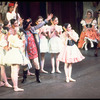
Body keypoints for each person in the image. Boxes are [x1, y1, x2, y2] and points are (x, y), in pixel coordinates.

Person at [21, 13, 53, 83]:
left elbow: (39, 25)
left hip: (34, 49)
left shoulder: (32, 29)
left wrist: (47, 20)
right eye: (29, 24)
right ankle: (24, 77)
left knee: (36, 64)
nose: (30, 25)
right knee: (26, 65)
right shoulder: (23, 32)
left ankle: (37, 77)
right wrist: (20, 22)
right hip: (26, 51)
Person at [3, 19, 30, 92]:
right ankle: (15, 87)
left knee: (15, 70)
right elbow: (16, 43)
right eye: (15, 23)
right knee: (15, 70)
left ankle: (15, 86)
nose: (17, 25)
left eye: (17, 23)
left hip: (14, 51)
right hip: (14, 51)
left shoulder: (11, 33)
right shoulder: (12, 34)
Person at [0, 23, 12, 88]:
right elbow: (4, 45)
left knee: (1, 67)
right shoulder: (2, 36)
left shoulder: (2, 35)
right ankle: (6, 82)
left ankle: (1, 81)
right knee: (2, 68)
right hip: (1, 52)